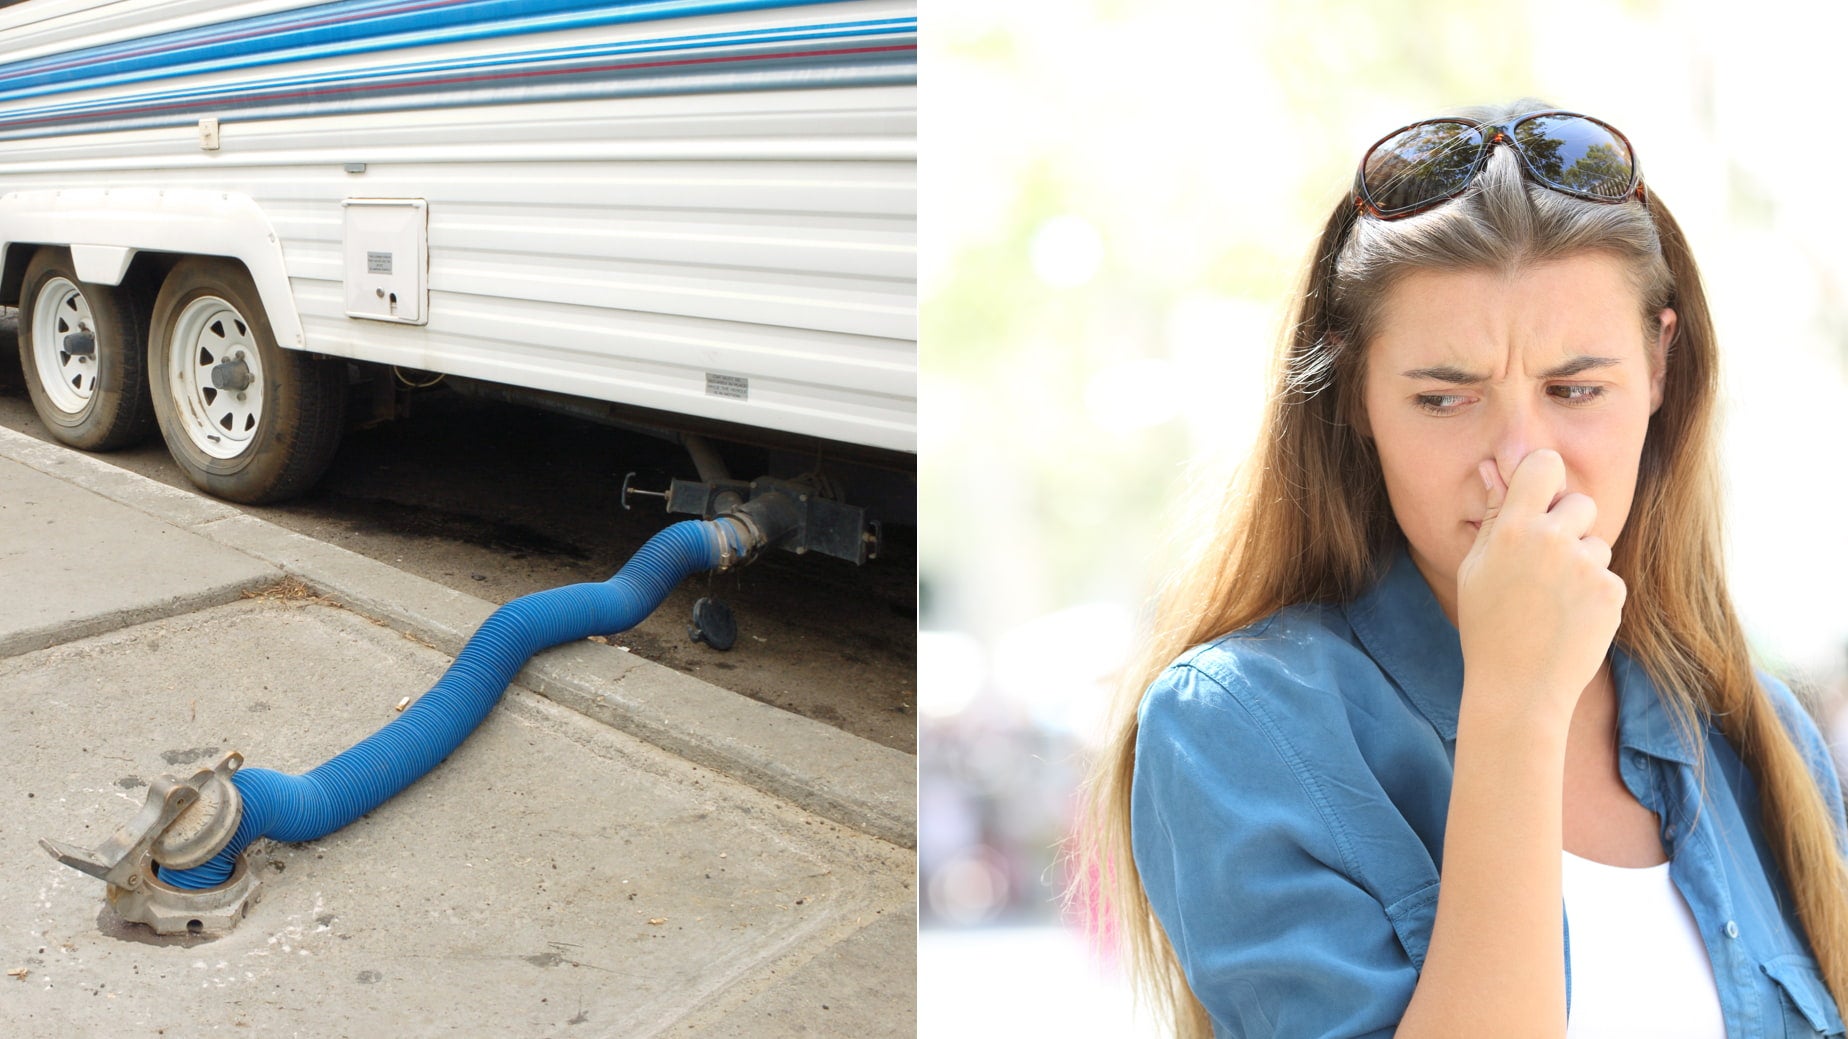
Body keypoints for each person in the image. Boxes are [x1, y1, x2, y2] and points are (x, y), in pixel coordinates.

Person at [1074, 100, 1848, 1038]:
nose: (1522, 460)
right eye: (1445, 398)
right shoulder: (1238, 726)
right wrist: (1515, 704)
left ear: (1660, 369)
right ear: (1355, 394)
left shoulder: (1755, 732)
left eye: (1575, 390)